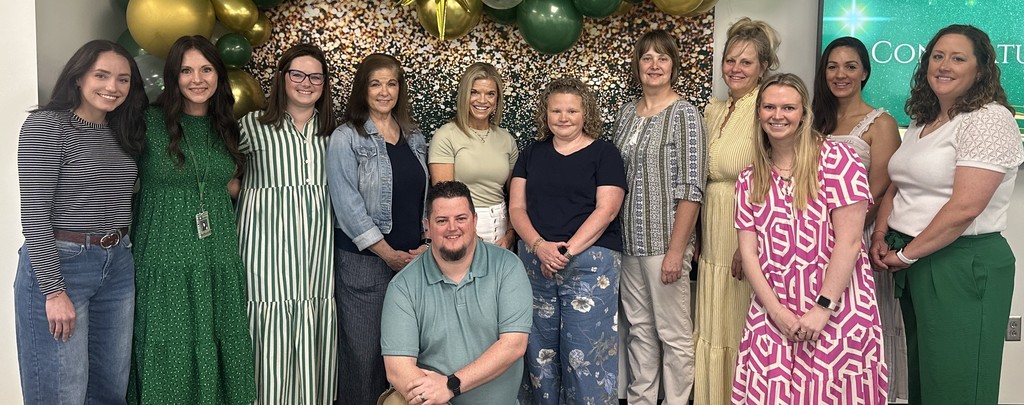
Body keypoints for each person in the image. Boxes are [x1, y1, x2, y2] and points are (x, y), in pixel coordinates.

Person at [870, 24, 1023, 404]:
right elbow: (898, 183)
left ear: (981, 68)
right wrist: (880, 234)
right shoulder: (926, 119)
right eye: (938, 56)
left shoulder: (989, 119)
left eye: (958, 58)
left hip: (961, 263)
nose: (944, 65)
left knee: (958, 385)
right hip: (917, 258)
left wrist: (907, 253)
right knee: (927, 380)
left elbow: (966, 206)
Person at [731, 73, 888, 403]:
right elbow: (749, 254)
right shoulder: (749, 178)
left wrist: (821, 309)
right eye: (770, 107)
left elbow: (849, 242)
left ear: (804, 113)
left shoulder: (838, 161)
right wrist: (776, 313)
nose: (778, 115)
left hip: (838, 308)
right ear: (758, 113)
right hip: (771, 310)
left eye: (788, 107)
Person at [15, 39, 147, 404]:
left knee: (109, 390)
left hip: (117, 263)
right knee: (61, 393)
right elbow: (35, 214)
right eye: (101, 75)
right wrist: (54, 291)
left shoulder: (122, 133)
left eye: (123, 80)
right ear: (78, 78)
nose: (112, 87)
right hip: (63, 265)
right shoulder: (47, 126)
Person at [128, 35, 255, 404]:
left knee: (220, 341)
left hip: (217, 258)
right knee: (168, 347)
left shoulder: (226, 127)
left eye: (206, 69)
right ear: (173, 76)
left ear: (218, 75)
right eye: (186, 70)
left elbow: (229, 184)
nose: (197, 79)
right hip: (165, 258)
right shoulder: (147, 123)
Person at [510, 77, 626, 405]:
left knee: (586, 355)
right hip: (536, 263)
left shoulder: (605, 154)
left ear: (585, 113)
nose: (563, 117)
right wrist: (539, 246)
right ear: (545, 113)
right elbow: (516, 207)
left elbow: (607, 210)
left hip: (590, 266)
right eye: (556, 110)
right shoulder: (531, 153)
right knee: (539, 354)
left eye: (571, 110)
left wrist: (565, 251)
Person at [237, 43, 338, 404]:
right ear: (282, 77)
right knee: (268, 327)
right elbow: (225, 178)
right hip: (266, 247)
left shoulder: (334, 133)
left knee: (314, 317)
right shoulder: (252, 126)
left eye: (315, 77)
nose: (306, 83)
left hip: (316, 247)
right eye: (297, 74)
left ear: (324, 84)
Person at [326, 53, 429, 405]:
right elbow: (347, 204)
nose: (384, 91)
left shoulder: (414, 137)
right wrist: (386, 253)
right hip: (364, 263)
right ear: (362, 89)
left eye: (391, 83)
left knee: (403, 354)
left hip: (412, 264)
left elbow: (422, 198)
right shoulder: (346, 137)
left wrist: (425, 242)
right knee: (364, 354)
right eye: (375, 84)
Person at [611, 30, 705, 405]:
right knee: (639, 331)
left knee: (674, 334)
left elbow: (692, 187)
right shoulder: (625, 114)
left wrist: (676, 251)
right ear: (638, 65)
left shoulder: (685, 114)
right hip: (628, 244)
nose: (654, 65)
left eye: (662, 58)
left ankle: (678, 401)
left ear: (673, 66)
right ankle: (641, 399)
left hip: (665, 243)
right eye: (647, 57)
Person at [810, 36, 905, 401]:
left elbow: (880, 190)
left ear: (865, 71)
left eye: (850, 66)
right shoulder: (811, 119)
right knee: (819, 328)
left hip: (856, 239)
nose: (840, 74)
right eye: (832, 66)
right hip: (808, 242)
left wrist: (838, 233)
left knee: (859, 332)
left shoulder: (880, 123)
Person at [381, 181, 532, 405]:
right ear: (428, 227)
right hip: (437, 403)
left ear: (474, 221)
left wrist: (451, 385)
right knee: (395, 402)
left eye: (461, 218)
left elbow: (514, 345)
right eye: (442, 221)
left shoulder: (507, 266)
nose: (452, 228)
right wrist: (440, 397)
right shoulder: (403, 286)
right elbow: (398, 369)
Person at [693, 17, 779, 405]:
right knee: (712, 319)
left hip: (746, 227)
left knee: (739, 319)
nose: (736, 69)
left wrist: (752, 243)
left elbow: (774, 176)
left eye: (746, 62)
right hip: (712, 225)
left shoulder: (767, 109)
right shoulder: (715, 110)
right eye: (730, 60)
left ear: (764, 66)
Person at [428, 62, 518, 248]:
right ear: (464, 95)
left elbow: (517, 197)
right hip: (461, 228)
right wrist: (468, 235)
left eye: (490, 94)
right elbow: (444, 198)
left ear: (497, 99)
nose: (482, 100)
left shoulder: (506, 139)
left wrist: (510, 234)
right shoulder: (446, 135)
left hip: (502, 229)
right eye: (474, 92)